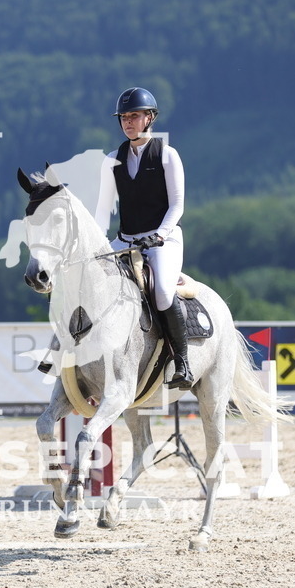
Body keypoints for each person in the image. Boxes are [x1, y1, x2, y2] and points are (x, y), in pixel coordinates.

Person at [94, 87, 192, 389]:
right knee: (87, 281)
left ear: (149, 117)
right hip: (125, 240)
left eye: (134, 116)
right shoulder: (112, 159)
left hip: (163, 239)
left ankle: (182, 361)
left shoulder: (167, 154)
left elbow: (177, 204)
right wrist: (97, 245)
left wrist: (160, 235)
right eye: (124, 117)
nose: (128, 122)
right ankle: (64, 351)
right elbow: (102, 210)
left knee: (162, 291)